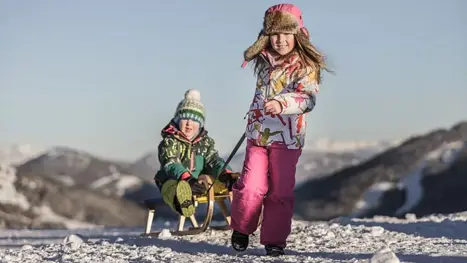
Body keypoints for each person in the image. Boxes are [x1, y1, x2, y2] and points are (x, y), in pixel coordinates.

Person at [230, 3, 330, 257]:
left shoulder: (306, 64)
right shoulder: (264, 60)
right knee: (251, 186)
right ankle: (242, 228)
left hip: (288, 138)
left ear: (296, 33)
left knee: (280, 192)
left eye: (286, 33)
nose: (280, 40)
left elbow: (308, 99)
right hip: (259, 134)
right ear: (267, 35)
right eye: (275, 33)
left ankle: (274, 240)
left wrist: (282, 103)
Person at [154, 89, 239, 217]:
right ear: (177, 120)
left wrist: (225, 173)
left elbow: (213, 161)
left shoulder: (205, 143)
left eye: (194, 120)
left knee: (223, 184)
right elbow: (171, 162)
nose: (189, 123)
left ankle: (243, 204)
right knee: (172, 189)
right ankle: (182, 201)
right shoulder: (170, 141)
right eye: (184, 119)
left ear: (200, 124)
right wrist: (186, 178)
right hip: (174, 180)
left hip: (201, 183)